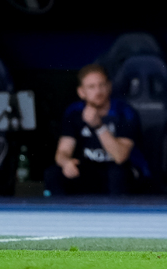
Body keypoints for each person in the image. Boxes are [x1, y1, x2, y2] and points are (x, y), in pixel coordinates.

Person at [44, 64, 141, 196]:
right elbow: (63, 151)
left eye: (102, 85)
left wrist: (99, 126)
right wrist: (66, 162)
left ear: (109, 87)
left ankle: (118, 215)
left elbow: (120, 157)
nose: (98, 91)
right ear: (81, 92)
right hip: (88, 170)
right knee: (53, 173)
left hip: (119, 171)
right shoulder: (74, 112)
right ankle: (61, 215)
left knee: (117, 173)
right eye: (91, 87)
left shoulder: (124, 112)